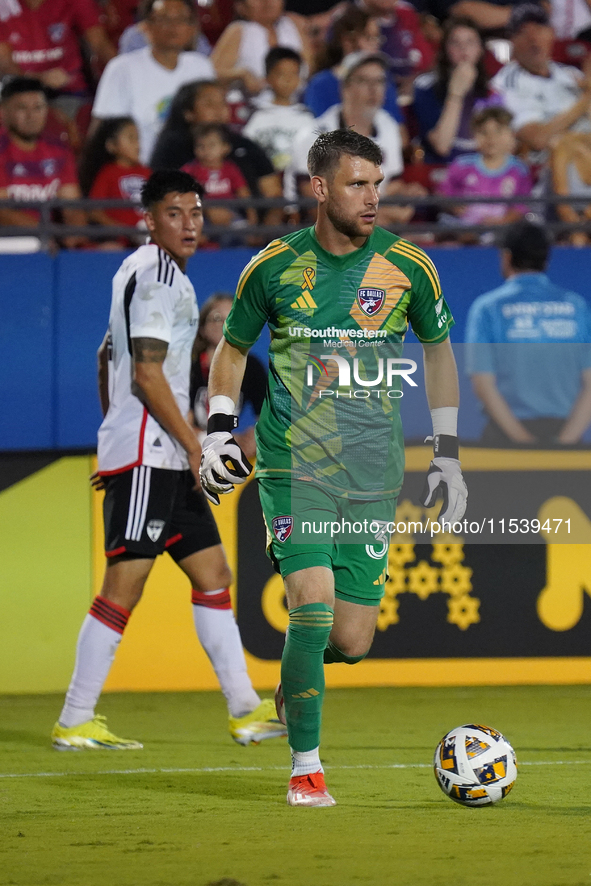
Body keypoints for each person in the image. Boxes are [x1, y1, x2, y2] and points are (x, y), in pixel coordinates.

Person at [199, 128, 467, 806]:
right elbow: (231, 350)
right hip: (294, 465)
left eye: (377, 183)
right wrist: (219, 434)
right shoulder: (273, 267)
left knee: (349, 640)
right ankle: (305, 768)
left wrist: (447, 454)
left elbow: (437, 355)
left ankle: (295, 682)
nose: (372, 197)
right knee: (310, 608)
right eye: (357, 183)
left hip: (372, 470)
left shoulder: (409, 266)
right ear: (318, 188)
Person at [51, 169, 287, 751]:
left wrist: (116, 426)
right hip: (154, 454)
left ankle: (243, 710)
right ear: (150, 219)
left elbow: (106, 356)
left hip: (152, 449)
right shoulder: (157, 274)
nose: (189, 224)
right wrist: (190, 444)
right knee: (122, 588)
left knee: (214, 575)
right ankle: (75, 717)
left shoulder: (152, 274)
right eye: (175, 213)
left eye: (197, 212)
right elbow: (148, 371)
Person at [465, 220, 591, 446]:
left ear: (506, 257)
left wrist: (523, 443)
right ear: (546, 259)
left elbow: (483, 383)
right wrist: (566, 443)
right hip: (566, 438)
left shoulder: (487, 309)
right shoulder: (577, 306)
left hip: (505, 440)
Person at [91, 0, 215, 165]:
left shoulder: (201, 67)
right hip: (141, 171)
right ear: (145, 26)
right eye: (164, 19)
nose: (173, 27)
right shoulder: (122, 69)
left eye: (181, 19)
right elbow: (104, 132)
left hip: (195, 169)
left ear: (192, 28)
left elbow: (214, 126)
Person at [150, 79, 283, 223]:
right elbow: (161, 195)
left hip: (250, 234)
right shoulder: (172, 148)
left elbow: (274, 194)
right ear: (188, 113)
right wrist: (205, 209)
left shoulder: (245, 146)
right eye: (209, 104)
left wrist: (268, 232)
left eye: (223, 103)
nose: (219, 109)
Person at [491, 4, 591, 165]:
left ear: (551, 34)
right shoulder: (505, 84)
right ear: (512, 42)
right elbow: (538, 139)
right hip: (552, 169)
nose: (533, 39)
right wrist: (585, 99)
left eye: (539, 29)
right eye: (523, 33)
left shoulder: (570, 74)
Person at [0, 77, 86, 249]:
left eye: (38, 107)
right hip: (9, 240)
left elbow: (72, 205)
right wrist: (46, 232)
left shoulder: (59, 150)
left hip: (50, 239)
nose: (31, 116)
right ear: (3, 112)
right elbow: (2, 211)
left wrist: (74, 234)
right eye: (22, 108)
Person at [412, 16, 502, 165]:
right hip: (441, 170)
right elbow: (442, 146)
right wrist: (456, 93)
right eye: (455, 43)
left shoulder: (492, 93)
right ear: (445, 49)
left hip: (481, 173)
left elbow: (499, 147)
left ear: (480, 50)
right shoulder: (426, 87)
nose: (463, 49)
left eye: (470, 42)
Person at [0, 0, 115, 114]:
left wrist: (124, 71)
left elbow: (99, 44)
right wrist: (39, 79)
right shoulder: (3, 4)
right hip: (17, 90)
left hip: (69, 90)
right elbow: (4, 62)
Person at [190, 292, 267, 461]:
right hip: (185, 454)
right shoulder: (188, 365)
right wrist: (222, 443)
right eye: (217, 318)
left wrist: (255, 437)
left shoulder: (251, 367)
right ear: (202, 327)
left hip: (222, 455)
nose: (225, 324)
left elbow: (267, 417)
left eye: (232, 317)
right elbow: (181, 422)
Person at [303, 5, 404, 122]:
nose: (375, 45)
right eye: (369, 38)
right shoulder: (321, 85)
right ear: (347, 41)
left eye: (377, 37)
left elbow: (399, 129)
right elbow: (319, 133)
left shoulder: (383, 78)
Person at [438, 106, 532, 229]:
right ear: (474, 135)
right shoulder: (461, 165)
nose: (491, 138)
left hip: (502, 231)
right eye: (483, 132)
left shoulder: (519, 170)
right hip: (462, 228)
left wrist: (502, 221)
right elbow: (443, 193)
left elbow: (520, 206)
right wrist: (454, 207)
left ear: (511, 135)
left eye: (498, 131)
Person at [210, 0, 312, 96]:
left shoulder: (294, 25)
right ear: (241, 7)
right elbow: (212, 73)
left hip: (297, 104)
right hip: (252, 106)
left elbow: (312, 68)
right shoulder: (238, 31)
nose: (267, 2)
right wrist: (241, 74)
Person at [79, 117, 151, 240]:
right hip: (120, 243)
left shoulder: (147, 172)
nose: (137, 144)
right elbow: (95, 211)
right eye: (131, 138)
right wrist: (123, 231)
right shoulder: (107, 173)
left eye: (138, 138)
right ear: (112, 146)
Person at [243, 48, 313, 173]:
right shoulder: (255, 114)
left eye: (293, 74)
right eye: (281, 74)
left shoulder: (307, 116)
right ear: (268, 77)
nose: (288, 80)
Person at [181, 122, 257, 228]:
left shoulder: (231, 169)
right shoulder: (189, 170)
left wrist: (252, 222)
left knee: (241, 231)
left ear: (225, 148)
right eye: (200, 146)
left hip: (230, 214)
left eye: (211, 145)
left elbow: (244, 194)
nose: (206, 150)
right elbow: (180, 197)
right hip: (199, 215)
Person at [551, 131, 591, 245]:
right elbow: (562, 205)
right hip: (566, 224)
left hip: (585, 220)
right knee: (578, 240)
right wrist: (579, 229)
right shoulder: (564, 147)